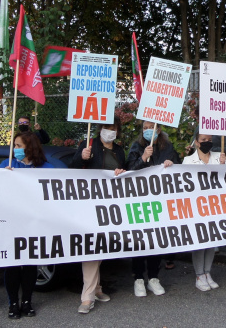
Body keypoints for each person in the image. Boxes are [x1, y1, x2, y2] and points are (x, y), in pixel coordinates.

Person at [70, 117, 126, 313]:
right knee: (92, 248)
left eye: (113, 128)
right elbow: (72, 169)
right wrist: (81, 157)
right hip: (90, 203)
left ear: (117, 131)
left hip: (111, 204)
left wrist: (122, 172)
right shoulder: (88, 144)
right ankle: (87, 297)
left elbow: (126, 173)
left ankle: (97, 288)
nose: (109, 131)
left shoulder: (119, 150)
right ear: (100, 128)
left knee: (101, 246)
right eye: (106, 128)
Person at [0, 131, 54, 319]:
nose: (15, 150)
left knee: (30, 265)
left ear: (30, 147)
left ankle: (27, 302)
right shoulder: (7, 165)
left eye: (19, 146)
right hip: (11, 223)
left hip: (33, 224)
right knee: (12, 265)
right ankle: (13, 303)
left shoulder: (46, 168)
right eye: (14, 146)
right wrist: (2, 176)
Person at [126, 121, 180, 297]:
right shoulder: (137, 146)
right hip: (141, 200)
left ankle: (154, 278)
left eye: (152, 127)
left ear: (159, 129)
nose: (148, 130)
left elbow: (179, 167)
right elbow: (129, 170)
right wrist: (143, 159)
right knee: (140, 239)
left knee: (157, 238)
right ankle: (139, 279)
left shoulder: (167, 146)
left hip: (160, 200)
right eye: (145, 128)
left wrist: (172, 163)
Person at [183, 133, 226, 291]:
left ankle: (208, 272)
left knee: (212, 242)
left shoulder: (219, 157)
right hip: (197, 206)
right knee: (200, 242)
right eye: (203, 140)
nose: (207, 143)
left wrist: (223, 165)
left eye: (209, 140)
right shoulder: (188, 161)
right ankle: (199, 275)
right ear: (196, 142)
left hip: (215, 206)